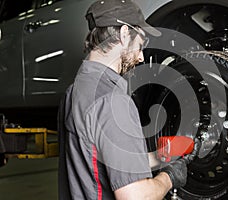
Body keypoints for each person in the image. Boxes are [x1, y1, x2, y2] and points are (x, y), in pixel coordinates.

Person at [58, 0, 190, 199]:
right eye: (140, 43)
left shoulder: (74, 92)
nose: (141, 57)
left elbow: (102, 160)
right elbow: (136, 196)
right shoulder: (112, 101)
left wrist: (158, 158)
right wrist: (169, 177)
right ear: (124, 34)